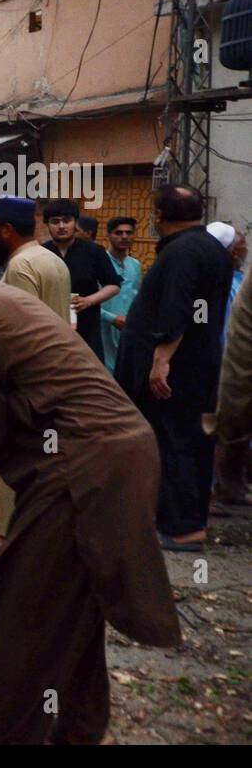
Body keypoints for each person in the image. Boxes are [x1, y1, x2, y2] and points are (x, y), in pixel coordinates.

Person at [0, 183, 181, 745]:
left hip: (85, 466)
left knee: (19, 615)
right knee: (70, 616)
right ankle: (74, 737)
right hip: (111, 454)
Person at [115, 185, 233, 551]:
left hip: (175, 373)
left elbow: (178, 309)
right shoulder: (211, 248)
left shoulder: (182, 252)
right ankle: (178, 522)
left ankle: (183, 529)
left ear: (160, 216)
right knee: (188, 442)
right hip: (197, 365)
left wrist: (161, 361)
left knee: (174, 444)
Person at [0, 195, 72, 559]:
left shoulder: (22, 266)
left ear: (8, 230)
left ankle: (8, 536)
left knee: (11, 459)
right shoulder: (52, 260)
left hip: (27, 378)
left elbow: (19, 330)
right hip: (54, 372)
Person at [43, 200, 120, 362]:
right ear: (47, 225)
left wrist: (89, 301)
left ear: (76, 223)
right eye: (55, 222)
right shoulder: (40, 252)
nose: (61, 226)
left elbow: (113, 285)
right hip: (50, 326)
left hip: (87, 325)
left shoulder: (94, 251)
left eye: (67, 220)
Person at [209, 222, 249, 505]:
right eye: (240, 243)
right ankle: (223, 485)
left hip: (232, 362)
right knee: (225, 423)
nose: (244, 247)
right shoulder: (217, 283)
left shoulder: (238, 279)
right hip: (224, 362)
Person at [100, 216, 142, 373]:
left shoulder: (135, 265)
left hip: (127, 332)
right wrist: (112, 318)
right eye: (118, 233)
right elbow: (85, 302)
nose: (124, 237)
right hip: (102, 330)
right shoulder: (99, 262)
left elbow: (136, 297)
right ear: (109, 235)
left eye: (128, 233)